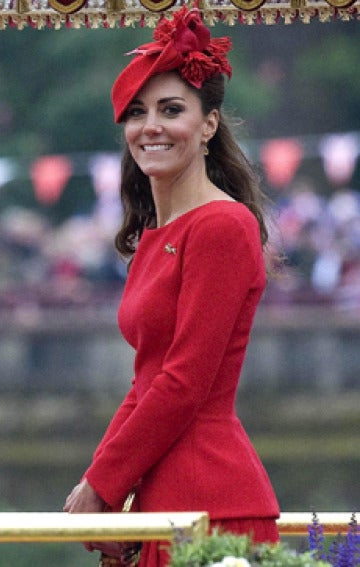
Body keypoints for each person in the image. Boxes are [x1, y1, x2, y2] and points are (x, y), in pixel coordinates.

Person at [63, 7, 281, 566]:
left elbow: (184, 382)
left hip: (212, 504)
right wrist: (102, 486)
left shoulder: (223, 226)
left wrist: (103, 487)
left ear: (208, 124)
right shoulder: (155, 237)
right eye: (137, 112)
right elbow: (147, 382)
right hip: (163, 500)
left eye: (171, 110)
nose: (150, 126)